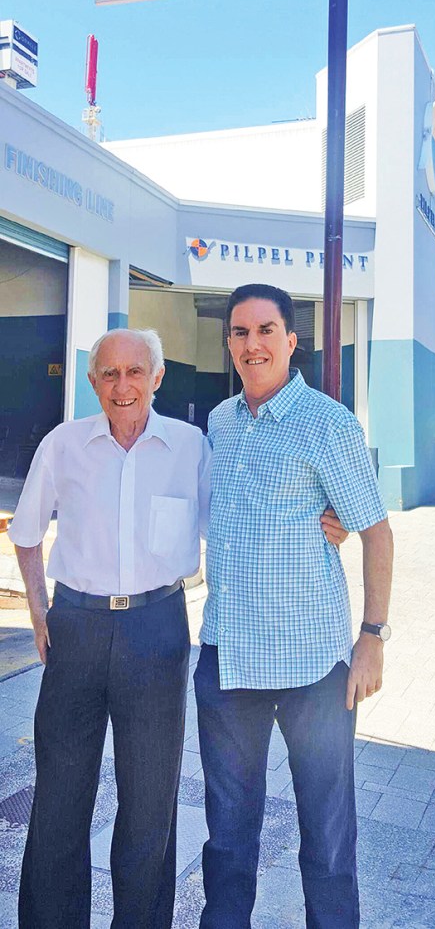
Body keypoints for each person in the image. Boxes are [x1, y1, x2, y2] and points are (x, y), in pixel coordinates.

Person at [194, 283, 393, 929]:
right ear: (229, 342)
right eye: (240, 332)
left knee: (329, 841)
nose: (252, 344)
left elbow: (376, 531)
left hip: (312, 667)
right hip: (228, 664)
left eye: (265, 330)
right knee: (227, 841)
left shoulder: (328, 424)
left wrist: (372, 636)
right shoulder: (220, 423)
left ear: (290, 340)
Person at [8, 328, 211, 929]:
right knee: (60, 801)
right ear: (93, 380)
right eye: (108, 374)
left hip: (158, 629)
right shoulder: (65, 445)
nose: (122, 387)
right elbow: (24, 533)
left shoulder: (190, 446)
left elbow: (240, 515)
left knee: (150, 803)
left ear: (157, 377)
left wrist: (324, 516)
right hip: (77, 628)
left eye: (134, 373)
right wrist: (40, 612)